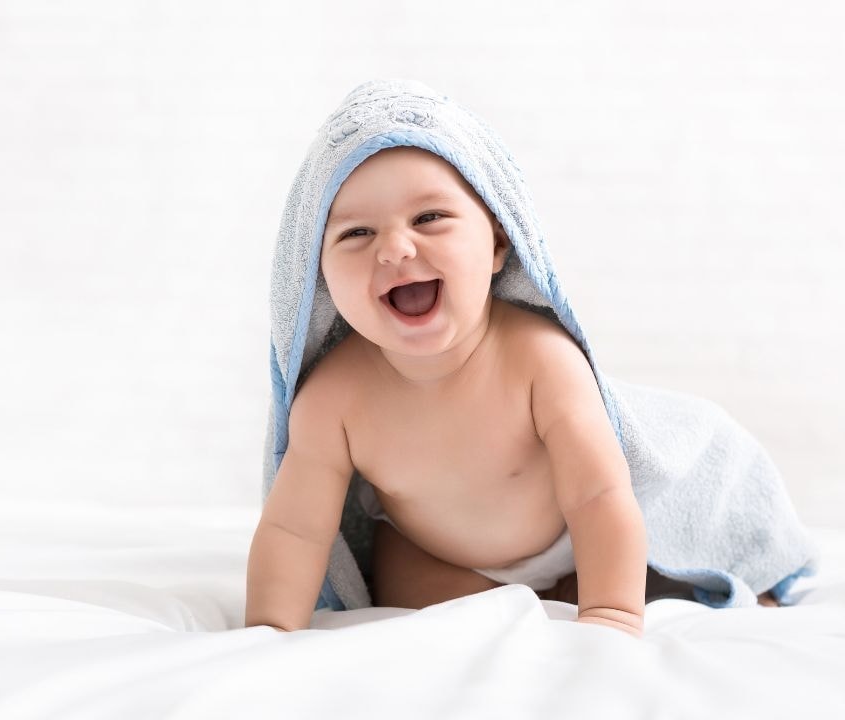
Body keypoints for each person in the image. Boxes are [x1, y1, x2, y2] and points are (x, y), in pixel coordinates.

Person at [245, 144, 778, 639]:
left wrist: (610, 617)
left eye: (429, 217)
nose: (395, 248)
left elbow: (600, 497)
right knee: (407, 597)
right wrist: (268, 635)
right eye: (356, 233)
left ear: (498, 243)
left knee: (633, 557)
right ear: (321, 279)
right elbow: (294, 530)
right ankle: (542, 596)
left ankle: (596, 585)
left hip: (576, 531)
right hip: (440, 553)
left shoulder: (539, 359)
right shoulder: (332, 399)